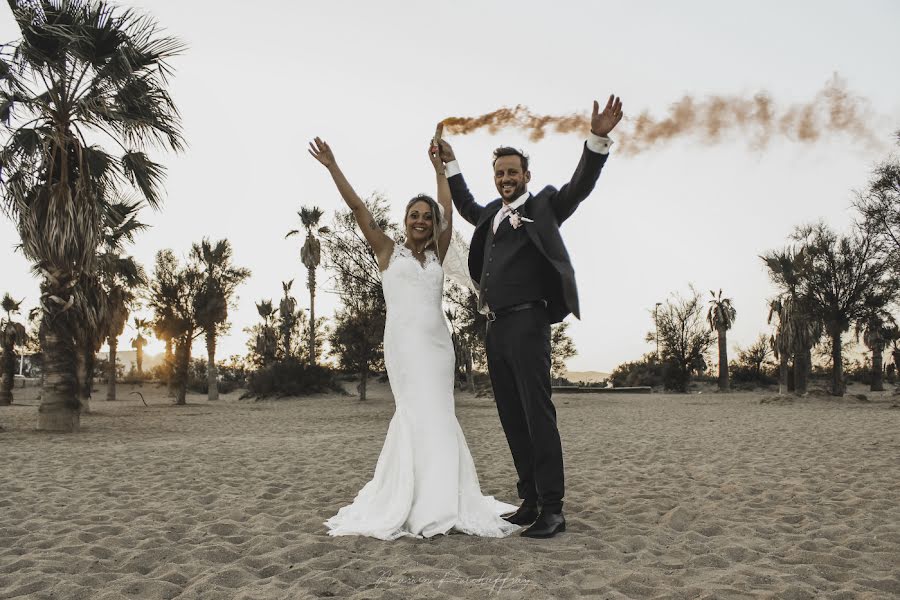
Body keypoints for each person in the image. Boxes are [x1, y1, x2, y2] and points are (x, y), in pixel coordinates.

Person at [308, 136, 519, 540]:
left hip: (438, 348)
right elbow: (357, 209)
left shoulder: (438, 253)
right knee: (413, 415)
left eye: (426, 216)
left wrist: (440, 170)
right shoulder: (387, 251)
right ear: (404, 220)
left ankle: (443, 499)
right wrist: (333, 167)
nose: (421, 220)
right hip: (404, 348)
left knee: (439, 416)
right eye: (414, 215)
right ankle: (411, 497)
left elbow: (449, 212)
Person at [435, 95, 624, 538]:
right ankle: (529, 499)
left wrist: (597, 139)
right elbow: (462, 202)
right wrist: (451, 162)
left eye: (512, 172)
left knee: (538, 414)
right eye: (500, 173)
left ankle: (553, 509)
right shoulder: (490, 215)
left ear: (526, 176)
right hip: (495, 328)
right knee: (510, 415)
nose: (505, 178)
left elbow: (579, 186)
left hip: (529, 324)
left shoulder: (542, 208)